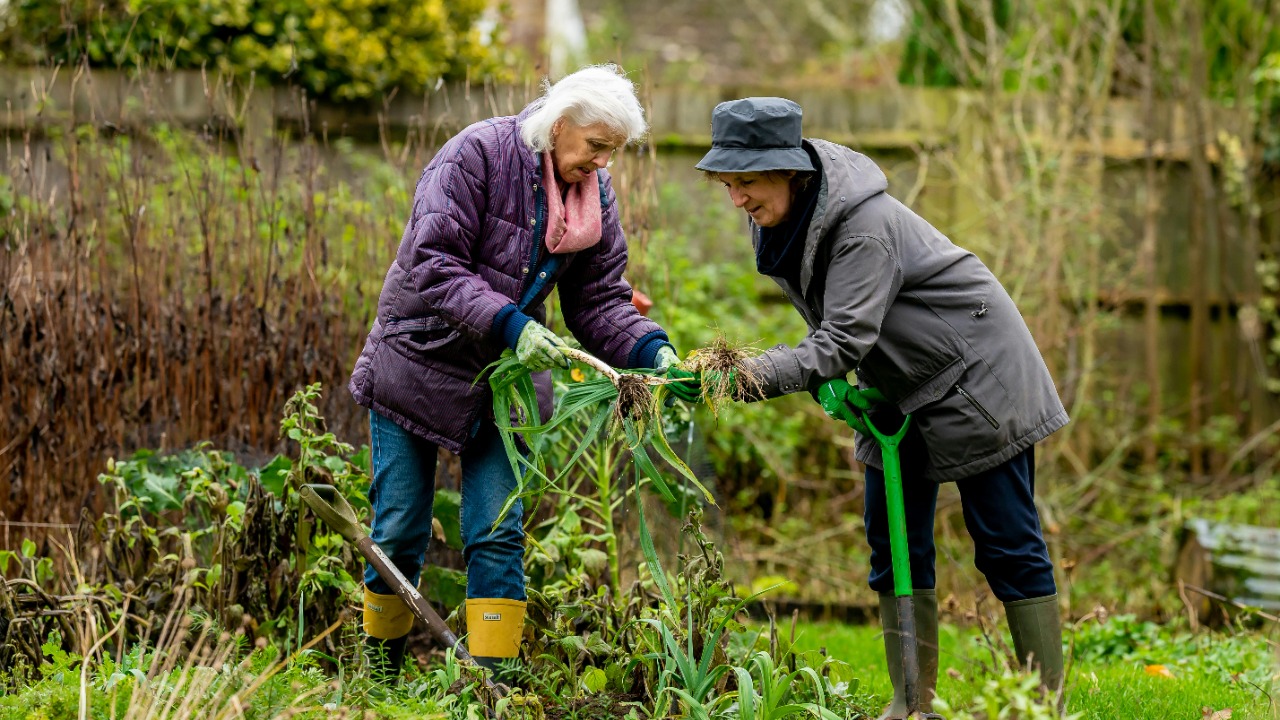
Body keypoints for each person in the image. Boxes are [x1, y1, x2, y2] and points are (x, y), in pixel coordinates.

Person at [669, 97, 1068, 716]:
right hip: (900, 386)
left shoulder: (862, 226)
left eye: (745, 182)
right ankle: (911, 704)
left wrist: (746, 375)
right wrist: (827, 378)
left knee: (1004, 542)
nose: (736, 199)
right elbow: (839, 328)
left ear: (789, 171)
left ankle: (1044, 705)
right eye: (727, 184)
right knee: (893, 542)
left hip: (977, 377)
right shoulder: (784, 218)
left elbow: (843, 336)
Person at [347, 64, 681, 679]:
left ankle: (488, 688)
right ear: (559, 125)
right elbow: (432, 263)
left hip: (504, 381)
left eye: (613, 152)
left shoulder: (591, 194)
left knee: (496, 531)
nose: (603, 164)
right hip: (419, 359)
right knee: (397, 528)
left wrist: (651, 349)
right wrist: (513, 324)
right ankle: (381, 677)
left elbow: (599, 301)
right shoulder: (475, 155)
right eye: (596, 147)